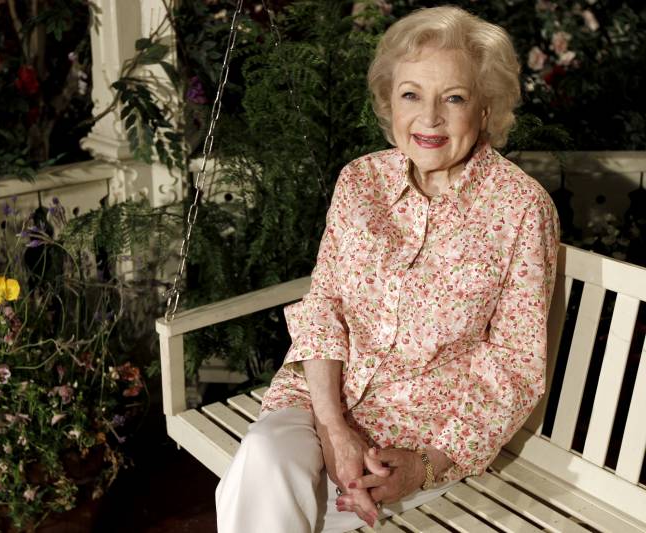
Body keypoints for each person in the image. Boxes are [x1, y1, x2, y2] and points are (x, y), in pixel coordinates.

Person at [215, 5, 560, 532]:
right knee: (263, 458)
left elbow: (515, 365)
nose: (429, 118)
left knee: (270, 507)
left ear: (486, 110)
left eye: (454, 98)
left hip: (419, 438)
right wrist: (333, 427)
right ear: (388, 102)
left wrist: (426, 465)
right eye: (411, 95)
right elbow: (324, 302)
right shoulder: (360, 182)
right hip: (320, 400)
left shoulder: (521, 209)